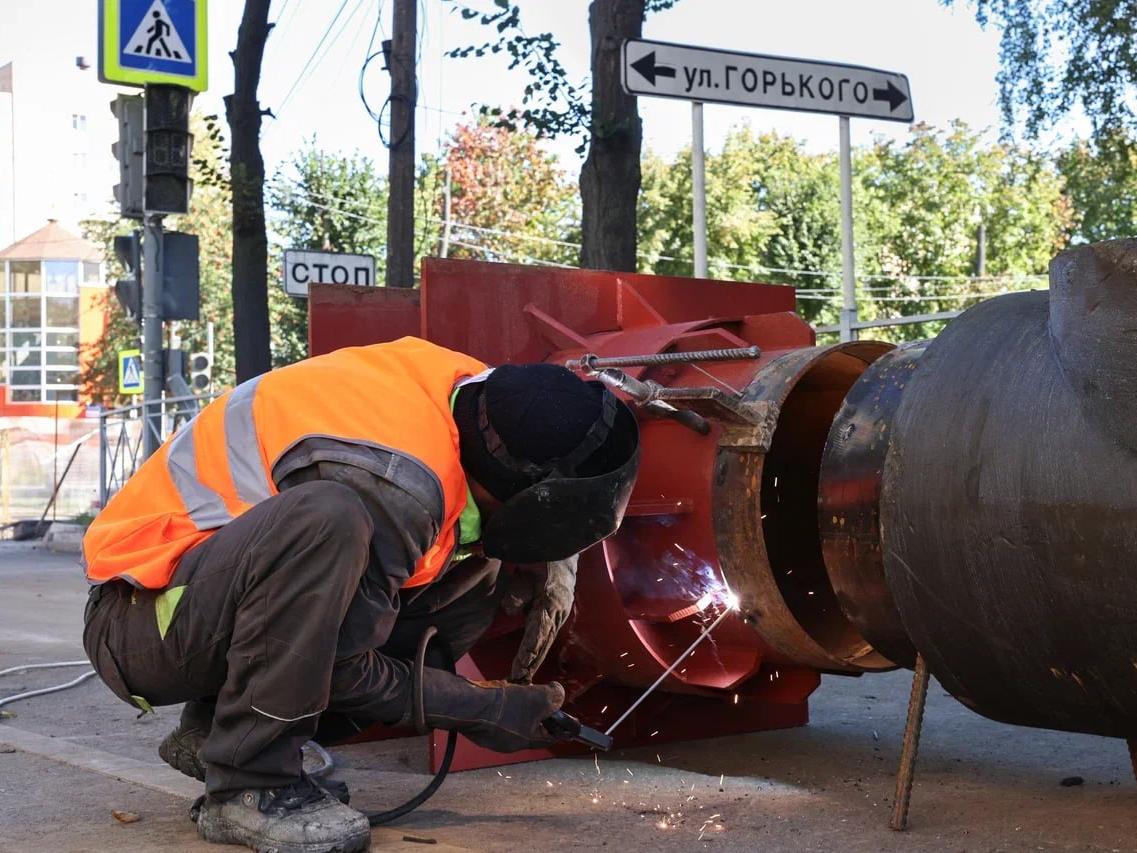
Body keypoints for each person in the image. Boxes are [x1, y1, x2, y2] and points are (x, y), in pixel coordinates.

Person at [82, 337, 639, 853]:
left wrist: (556, 557)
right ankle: (250, 785)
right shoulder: (391, 484)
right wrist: (482, 708)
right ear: (528, 490)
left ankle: (214, 736)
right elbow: (338, 667)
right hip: (141, 617)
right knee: (328, 521)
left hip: (210, 596)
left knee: (479, 578)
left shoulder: (472, 396)